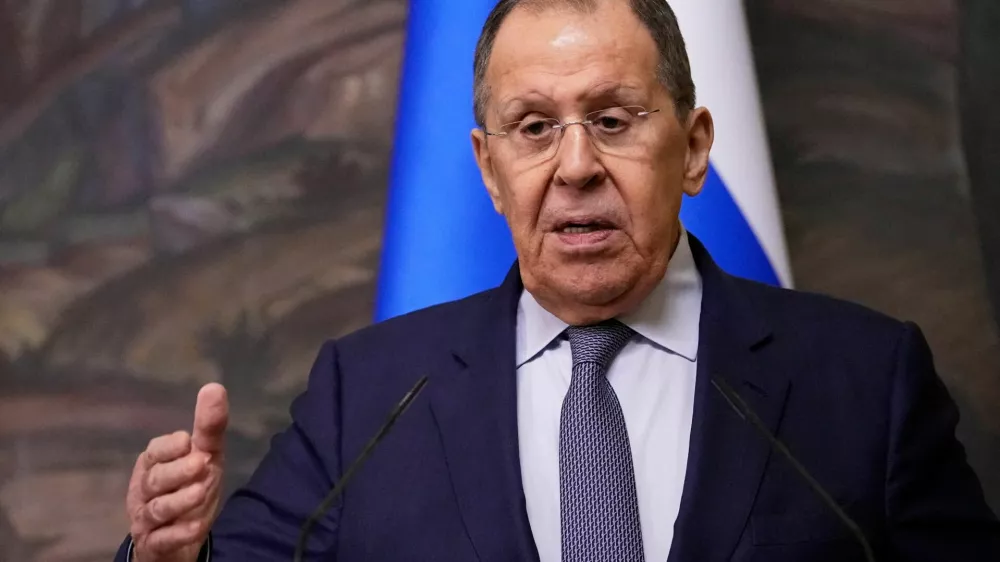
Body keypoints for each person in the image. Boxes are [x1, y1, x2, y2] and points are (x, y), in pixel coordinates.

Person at [115, 0, 1000, 560]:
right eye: (533, 128)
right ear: (490, 169)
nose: (575, 165)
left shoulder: (863, 379)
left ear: (692, 149)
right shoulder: (370, 392)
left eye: (612, 119)